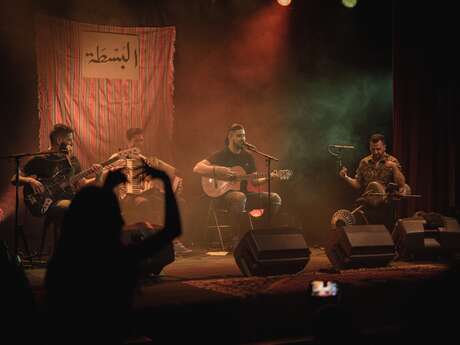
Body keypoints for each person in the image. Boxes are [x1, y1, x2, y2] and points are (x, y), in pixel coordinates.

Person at [44, 166, 182, 344]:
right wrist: (165, 181)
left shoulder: (59, 265)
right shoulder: (120, 258)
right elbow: (172, 230)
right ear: (114, 217)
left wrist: (107, 189)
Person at [193, 123, 282, 242]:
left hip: (244, 195)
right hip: (222, 196)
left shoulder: (248, 156)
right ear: (230, 137)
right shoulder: (221, 155)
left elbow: (254, 181)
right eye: (239, 136)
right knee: (240, 197)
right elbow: (197, 168)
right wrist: (218, 170)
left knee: (275, 198)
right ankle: (234, 238)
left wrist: (269, 177)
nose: (243, 139)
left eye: (244, 136)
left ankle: (261, 232)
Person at [112, 127, 191, 254]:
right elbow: (108, 175)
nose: (138, 144)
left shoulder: (144, 159)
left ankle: (172, 240)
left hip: (147, 193)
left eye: (141, 141)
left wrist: (174, 184)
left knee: (178, 202)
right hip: (126, 196)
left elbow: (154, 178)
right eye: (135, 141)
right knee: (144, 202)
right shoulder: (118, 157)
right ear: (128, 141)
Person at [11, 124, 102, 228]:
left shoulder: (73, 161)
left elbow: (83, 183)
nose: (72, 143)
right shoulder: (40, 159)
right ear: (59, 140)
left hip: (69, 199)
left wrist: (98, 177)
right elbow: (14, 179)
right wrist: (30, 181)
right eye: (69, 139)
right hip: (49, 202)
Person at [339, 133, 407, 230]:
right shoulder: (364, 162)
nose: (375, 152)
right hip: (369, 205)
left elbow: (401, 185)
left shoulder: (392, 161)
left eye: (378, 149)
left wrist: (394, 167)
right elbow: (358, 184)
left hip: (386, 206)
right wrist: (346, 177)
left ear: (384, 147)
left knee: (386, 236)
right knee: (369, 236)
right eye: (372, 149)